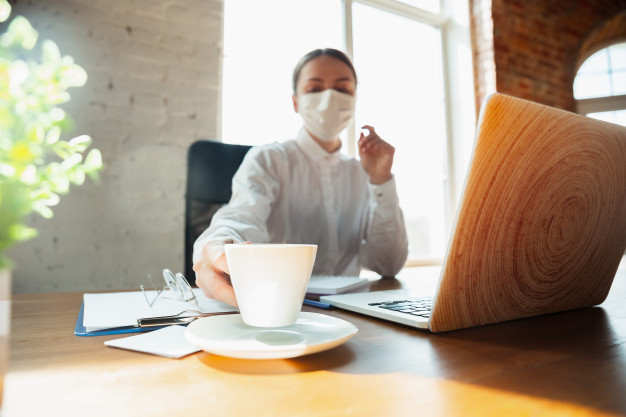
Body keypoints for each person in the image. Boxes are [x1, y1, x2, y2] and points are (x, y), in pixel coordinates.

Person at [193, 48, 409, 306]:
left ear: (354, 99)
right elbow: (240, 217)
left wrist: (381, 180)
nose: (329, 98)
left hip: (353, 312)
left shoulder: (363, 173)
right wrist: (217, 248)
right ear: (295, 102)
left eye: (342, 89)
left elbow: (388, 265)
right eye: (315, 89)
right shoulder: (269, 160)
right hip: (277, 307)